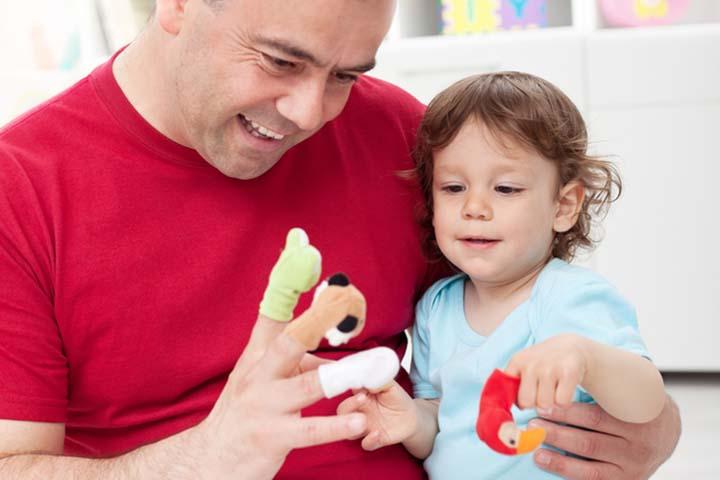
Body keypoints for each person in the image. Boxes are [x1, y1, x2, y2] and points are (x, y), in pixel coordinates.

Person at [0, 1, 680, 479]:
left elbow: (537, 311)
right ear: (176, 4)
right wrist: (206, 459)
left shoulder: (402, 142)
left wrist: (649, 431)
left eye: (346, 73)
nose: (309, 113)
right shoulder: (22, 188)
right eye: (279, 60)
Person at [337, 72, 671, 479]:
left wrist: (586, 358)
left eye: (507, 189)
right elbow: (441, 419)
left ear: (564, 206)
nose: (475, 207)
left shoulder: (569, 296)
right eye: (454, 188)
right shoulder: (436, 307)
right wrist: (410, 420)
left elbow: (647, 399)